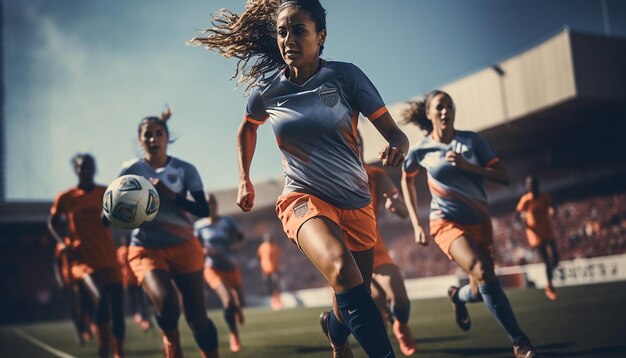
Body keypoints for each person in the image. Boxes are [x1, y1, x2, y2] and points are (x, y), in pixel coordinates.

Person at [189, 1, 409, 356]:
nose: (288, 39)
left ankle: (334, 330)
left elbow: (395, 134)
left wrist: (398, 146)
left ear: (321, 36)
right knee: (341, 267)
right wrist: (243, 178)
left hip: (355, 201)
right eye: (282, 31)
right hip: (302, 199)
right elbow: (247, 129)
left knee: (352, 292)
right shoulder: (267, 89)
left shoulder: (346, 76)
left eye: (298, 30)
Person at [400, 91, 536, 358]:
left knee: (480, 286)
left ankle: (458, 296)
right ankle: (519, 341)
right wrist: (416, 223)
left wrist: (468, 166)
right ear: (429, 114)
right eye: (439, 107)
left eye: (449, 106)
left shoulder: (473, 141)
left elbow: (503, 177)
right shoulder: (421, 150)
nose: (445, 111)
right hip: (445, 222)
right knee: (482, 270)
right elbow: (407, 178)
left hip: (480, 222)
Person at [119, 108, 219, 358]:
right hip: (146, 248)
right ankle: (171, 344)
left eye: (158, 133)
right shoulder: (130, 172)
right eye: (147, 135)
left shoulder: (186, 170)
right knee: (168, 303)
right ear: (140, 140)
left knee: (198, 319)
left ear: (167, 137)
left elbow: (203, 209)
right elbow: (110, 213)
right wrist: (115, 210)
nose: (153, 139)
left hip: (185, 245)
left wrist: (169, 194)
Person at [48, 153, 125, 358]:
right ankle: (103, 349)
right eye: (81, 167)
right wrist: (63, 242)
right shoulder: (66, 198)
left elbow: (118, 218)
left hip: (108, 257)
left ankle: (119, 352)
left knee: (118, 309)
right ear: (76, 169)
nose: (85, 170)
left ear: (95, 168)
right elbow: (51, 223)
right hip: (83, 261)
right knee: (100, 299)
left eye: (89, 166)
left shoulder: (106, 192)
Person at [357, 133, 416, 356]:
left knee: (400, 296)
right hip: (348, 253)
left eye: (359, 141)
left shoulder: (375, 174)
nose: (356, 145)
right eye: (351, 141)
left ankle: (400, 324)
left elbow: (402, 210)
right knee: (375, 306)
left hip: (374, 246)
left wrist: (394, 204)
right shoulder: (332, 176)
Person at [194, 193, 246, 353]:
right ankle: (234, 333)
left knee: (240, 302)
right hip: (212, 268)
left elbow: (242, 239)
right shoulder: (198, 226)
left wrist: (235, 247)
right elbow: (195, 248)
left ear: (216, 204)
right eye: (207, 203)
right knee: (228, 301)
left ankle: (237, 308)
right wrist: (205, 250)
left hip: (231, 266)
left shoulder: (227, 221)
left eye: (212, 203)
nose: (210, 206)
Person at [516, 175, 560, 301]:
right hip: (535, 234)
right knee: (546, 260)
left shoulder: (545, 196)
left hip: (547, 230)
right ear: (527, 186)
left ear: (537, 185)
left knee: (556, 258)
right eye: (529, 184)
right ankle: (549, 286)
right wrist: (521, 222)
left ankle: (550, 274)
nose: (531, 186)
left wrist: (552, 210)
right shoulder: (525, 200)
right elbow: (517, 214)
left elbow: (552, 205)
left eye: (533, 184)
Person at [115, 231, 152, 331]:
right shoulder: (127, 250)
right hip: (133, 278)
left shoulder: (121, 251)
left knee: (136, 301)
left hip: (130, 279)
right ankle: (142, 317)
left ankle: (140, 317)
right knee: (139, 300)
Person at [257, 232, 283, 310]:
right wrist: (261, 269)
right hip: (265, 270)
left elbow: (279, 257)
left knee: (276, 284)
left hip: (274, 269)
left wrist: (280, 266)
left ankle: (278, 302)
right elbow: (259, 258)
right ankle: (273, 302)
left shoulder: (274, 247)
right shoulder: (262, 247)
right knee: (269, 287)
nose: (268, 239)